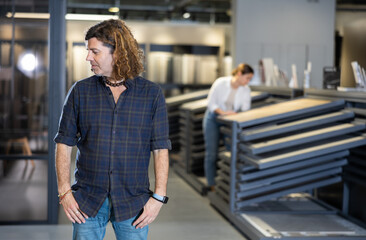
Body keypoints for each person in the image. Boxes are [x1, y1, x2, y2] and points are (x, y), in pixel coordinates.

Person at [54, 19, 171, 240]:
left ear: (117, 52)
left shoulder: (151, 94)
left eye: (94, 52)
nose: (88, 57)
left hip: (133, 202)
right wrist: (64, 192)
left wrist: (158, 197)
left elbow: (160, 147)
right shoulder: (80, 91)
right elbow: (64, 142)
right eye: (88, 51)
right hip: (87, 201)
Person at [203, 63, 254, 190]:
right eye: (247, 78)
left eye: (250, 79)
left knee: (232, 152)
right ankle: (211, 184)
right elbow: (211, 104)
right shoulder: (220, 83)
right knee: (212, 154)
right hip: (213, 119)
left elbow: (245, 110)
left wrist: (236, 116)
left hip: (231, 121)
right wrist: (224, 113)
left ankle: (229, 185)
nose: (248, 81)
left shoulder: (246, 90)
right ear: (239, 74)